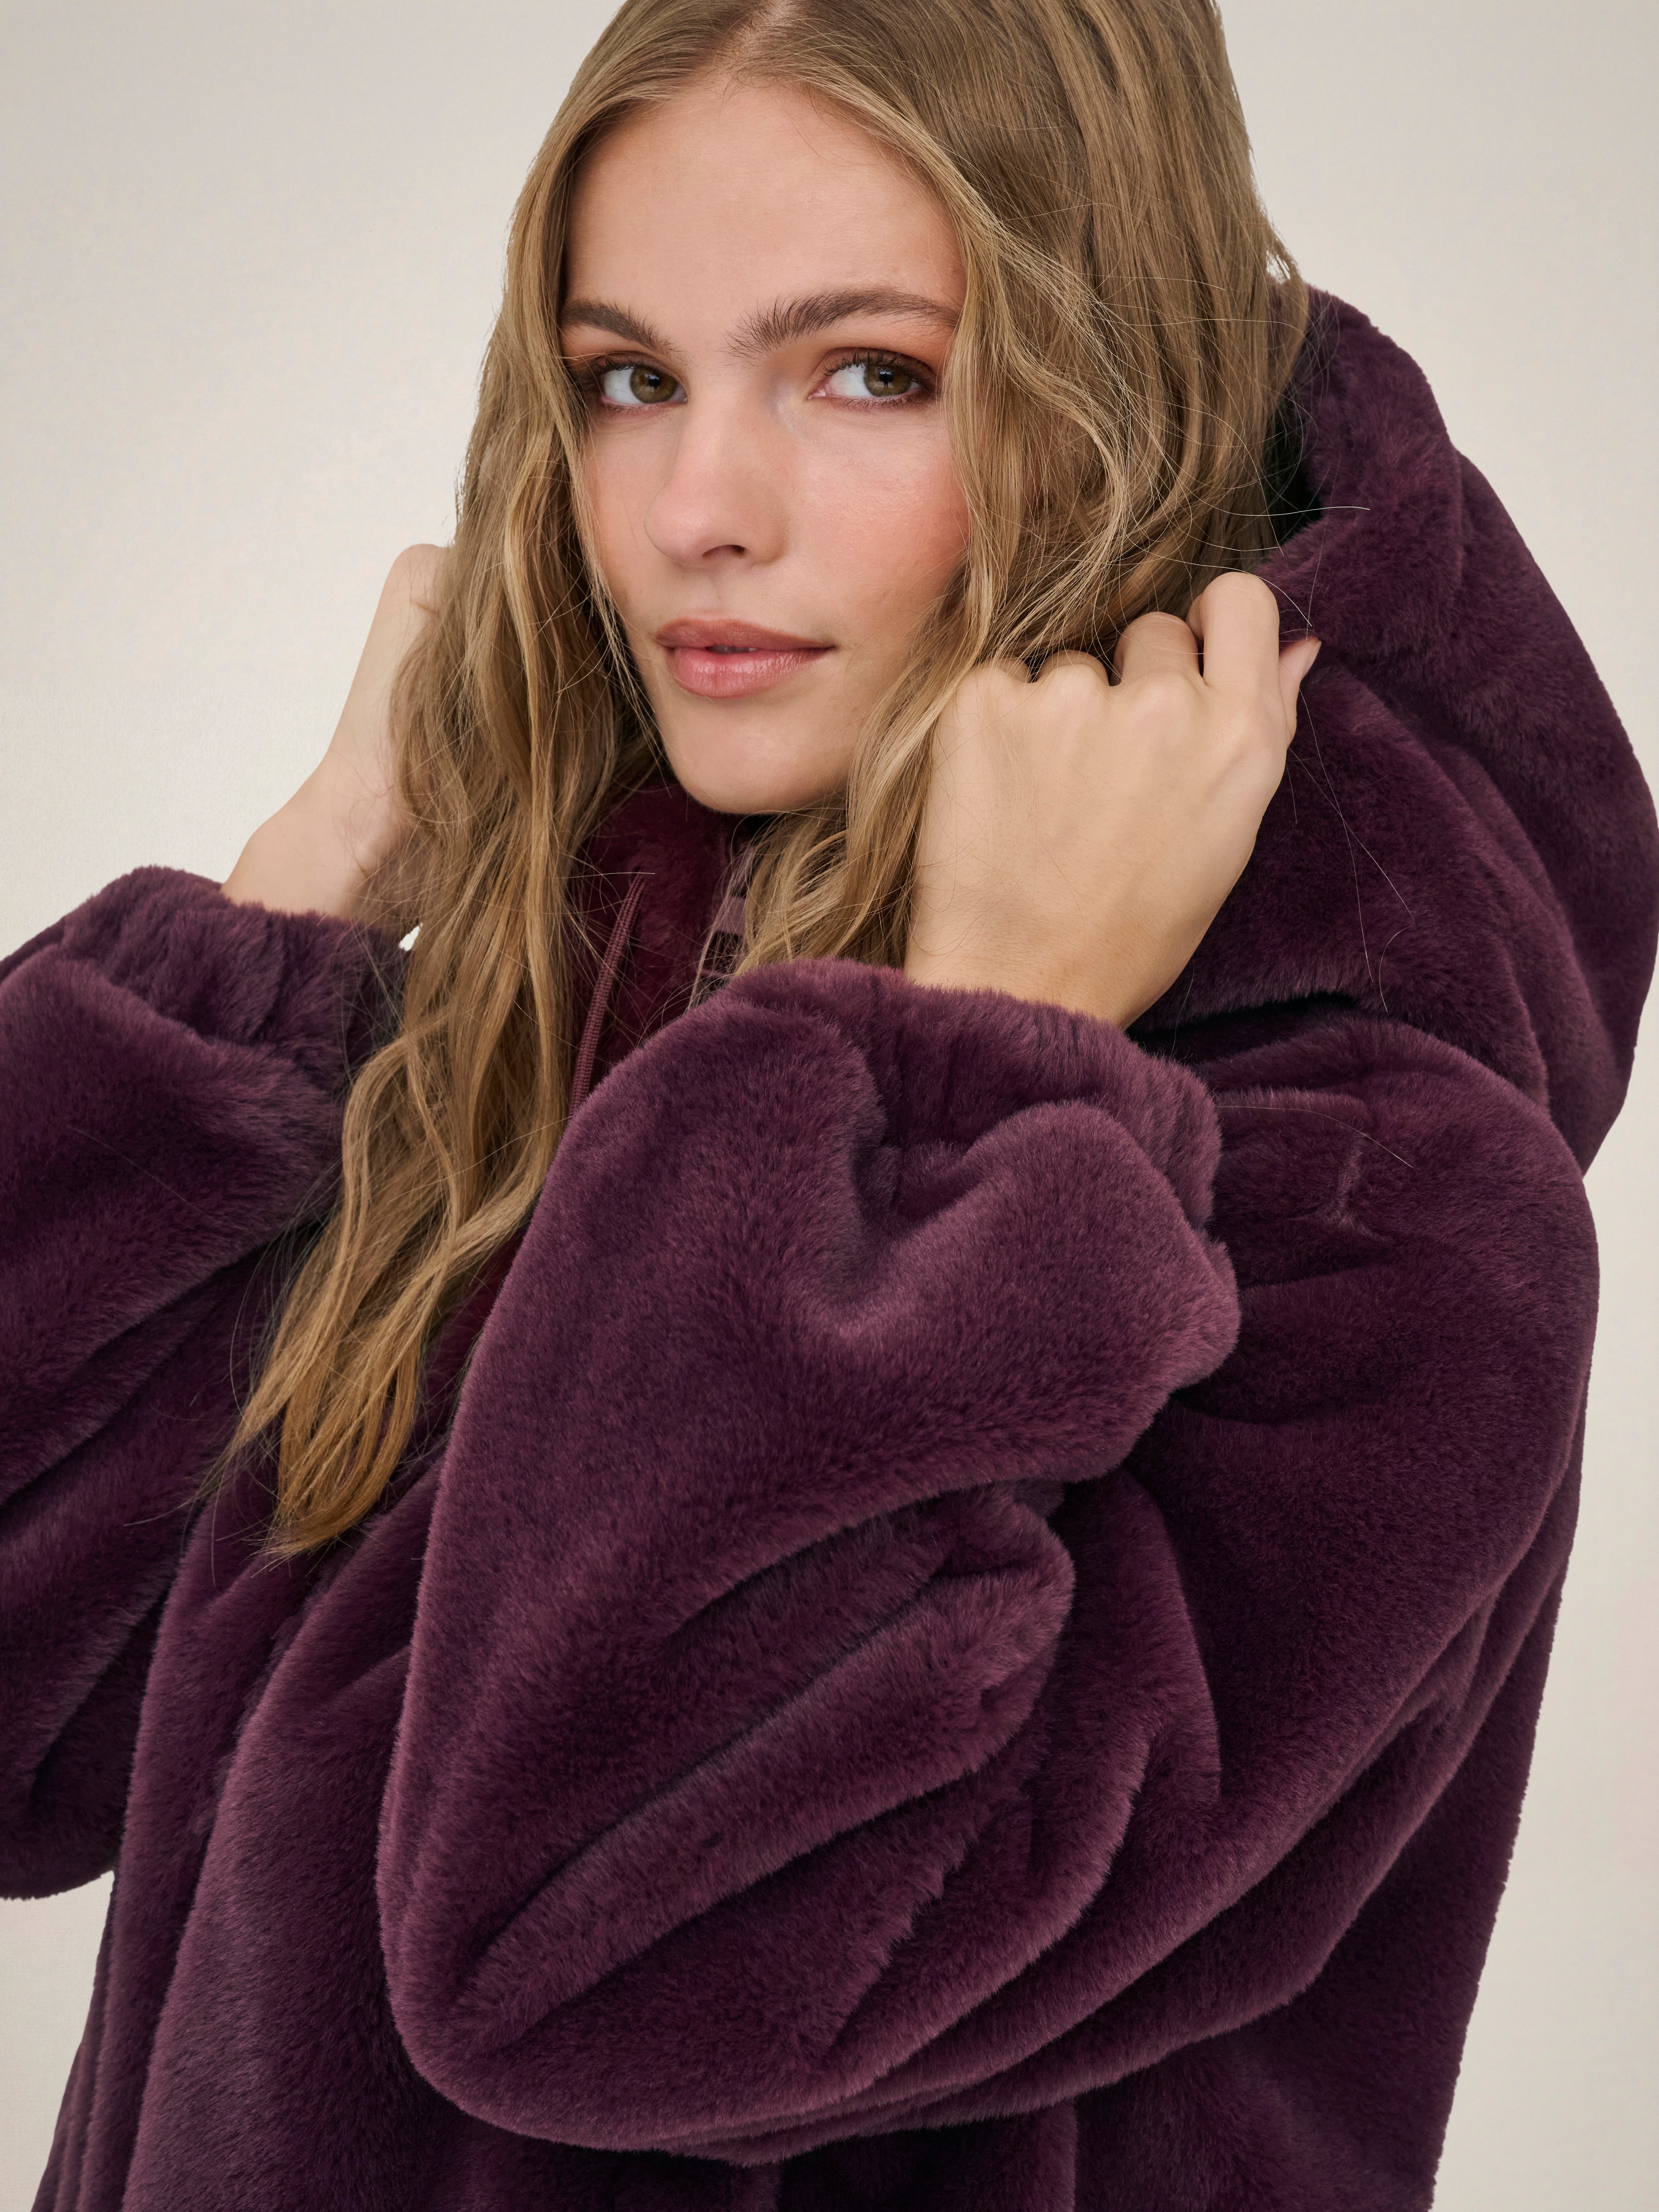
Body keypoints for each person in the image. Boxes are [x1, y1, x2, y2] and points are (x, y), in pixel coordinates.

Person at [2, 0, 1654, 2206]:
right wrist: (292, 905)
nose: (698, 509)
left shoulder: (1379, 1205)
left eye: (869, 372)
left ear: (1113, 395)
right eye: (629, 379)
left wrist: (975, 1066)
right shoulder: (545, 1024)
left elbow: (590, 1961)